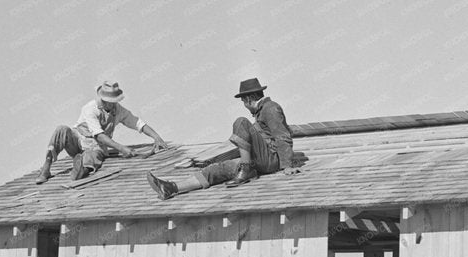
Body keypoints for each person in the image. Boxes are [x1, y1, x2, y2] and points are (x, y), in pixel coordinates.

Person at [147, 77, 300, 199]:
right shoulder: (261, 112)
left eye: (243, 102)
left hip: (271, 160)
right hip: (259, 160)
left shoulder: (271, 108)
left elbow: (283, 136)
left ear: (249, 98)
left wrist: (287, 166)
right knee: (216, 169)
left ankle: (246, 169)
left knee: (241, 122)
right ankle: (172, 188)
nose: (245, 106)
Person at [36, 79, 173, 183]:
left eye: (114, 101)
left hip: (94, 146)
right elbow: (99, 135)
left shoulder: (118, 110)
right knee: (61, 129)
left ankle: (82, 169)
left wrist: (156, 137)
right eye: (110, 101)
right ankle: (46, 168)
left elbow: (137, 123)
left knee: (95, 153)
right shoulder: (90, 108)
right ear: (103, 99)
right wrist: (121, 148)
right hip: (78, 141)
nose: (112, 104)